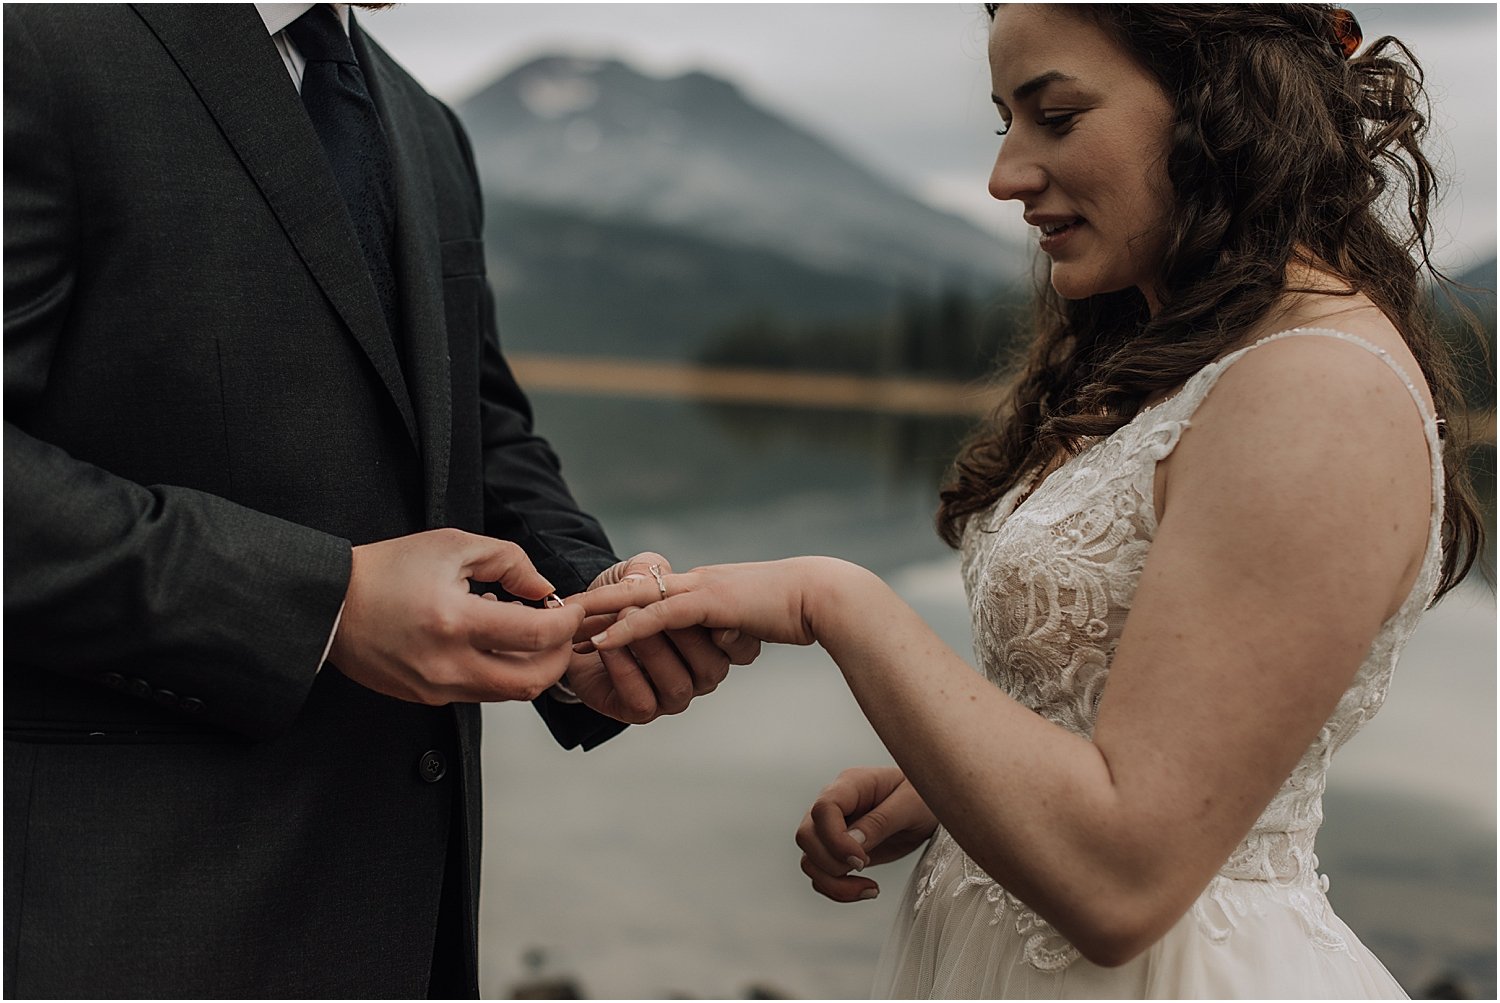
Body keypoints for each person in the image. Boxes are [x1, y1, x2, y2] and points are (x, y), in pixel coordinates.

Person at [578, 4, 1485, 998]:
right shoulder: (1200, 353)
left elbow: (1123, 882)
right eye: (1004, 122)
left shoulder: (1319, 388)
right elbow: (1146, 735)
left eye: (1054, 116)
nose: (1006, 175)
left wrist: (831, 601)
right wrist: (956, 784)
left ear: (1223, 105)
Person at [3, 4, 755, 997]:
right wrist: (322, 605)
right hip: (121, 926)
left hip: (402, 932)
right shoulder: (39, 38)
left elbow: (474, 427)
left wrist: (583, 608)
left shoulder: (423, 121)